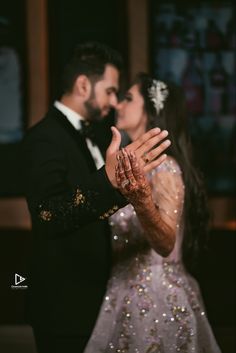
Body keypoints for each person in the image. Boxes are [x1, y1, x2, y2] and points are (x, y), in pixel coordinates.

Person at [22, 44, 170, 353]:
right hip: (64, 303)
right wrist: (108, 180)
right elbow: (48, 214)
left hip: (100, 299)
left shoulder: (100, 137)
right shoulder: (44, 137)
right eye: (111, 91)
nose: (114, 102)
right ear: (83, 85)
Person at [84, 73, 221, 352]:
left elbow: (166, 242)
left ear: (152, 109)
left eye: (128, 99)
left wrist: (141, 201)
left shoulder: (166, 167)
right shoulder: (128, 164)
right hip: (120, 292)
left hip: (156, 300)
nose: (118, 105)